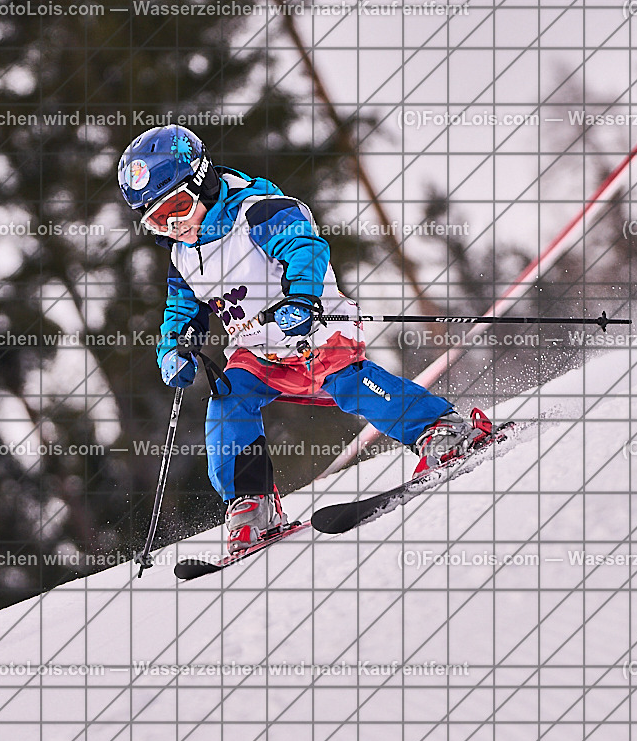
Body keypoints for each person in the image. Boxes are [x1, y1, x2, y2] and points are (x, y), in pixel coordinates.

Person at [117, 124, 496, 553]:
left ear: (202, 181)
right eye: (157, 221)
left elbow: (305, 247)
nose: (174, 225)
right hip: (257, 353)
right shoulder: (182, 254)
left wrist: (300, 297)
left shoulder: (259, 212)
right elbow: (181, 310)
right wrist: (175, 348)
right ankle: (252, 503)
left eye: (179, 207)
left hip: (312, 330)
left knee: (348, 383)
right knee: (227, 403)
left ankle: (442, 429)